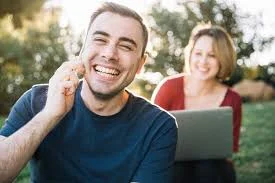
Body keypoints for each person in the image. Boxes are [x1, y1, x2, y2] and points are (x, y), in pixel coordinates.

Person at [0, 2, 178, 183]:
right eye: (100, 40)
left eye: (126, 46)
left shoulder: (159, 126)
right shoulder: (35, 101)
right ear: (82, 49)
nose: (109, 54)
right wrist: (49, 115)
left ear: (141, 63)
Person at [152, 23, 242, 183]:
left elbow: (228, 151)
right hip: (171, 165)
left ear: (223, 58)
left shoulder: (232, 99)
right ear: (190, 54)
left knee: (207, 166)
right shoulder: (168, 88)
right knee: (177, 169)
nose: (203, 61)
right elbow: (150, 135)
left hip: (213, 170)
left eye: (212, 55)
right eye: (198, 53)